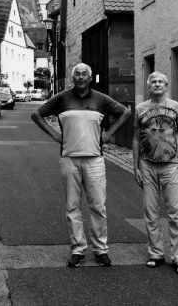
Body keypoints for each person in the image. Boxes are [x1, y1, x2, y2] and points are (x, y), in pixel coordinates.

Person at [31, 63, 131, 267]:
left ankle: (101, 249)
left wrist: (110, 133)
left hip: (95, 159)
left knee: (98, 206)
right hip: (69, 159)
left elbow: (125, 112)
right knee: (72, 207)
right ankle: (78, 249)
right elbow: (37, 114)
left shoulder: (101, 99)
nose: (80, 77)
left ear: (90, 77)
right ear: (72, 77)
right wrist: (54, 134)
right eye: (77, 74)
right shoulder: (62, 98)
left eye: (84, 74)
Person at [132, 71, 178, 275]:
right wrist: (135, 167)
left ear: (166, 86)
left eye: (161, 82)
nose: (157, 85)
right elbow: (136, 140)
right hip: (148, 164)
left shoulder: (175, 107)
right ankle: (156, 252)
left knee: (176, 212)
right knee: (151, 211)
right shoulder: (140, 109)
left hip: (171, 164)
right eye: (153, 82)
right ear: (148, 87)